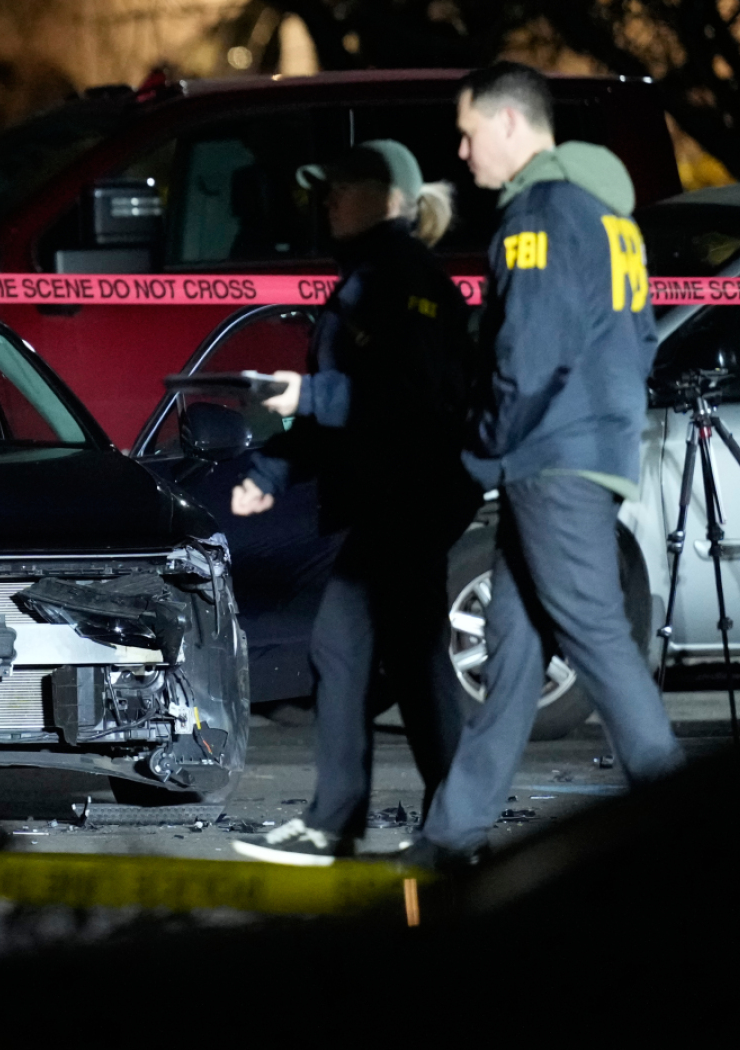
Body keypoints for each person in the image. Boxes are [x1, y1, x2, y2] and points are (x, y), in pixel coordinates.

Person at [405, 63, 686, 870]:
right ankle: (450, 837)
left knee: (595, 636)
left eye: (468, 133)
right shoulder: (608, 218)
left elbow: (527, 356)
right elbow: (638, 339)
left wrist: (480, 447)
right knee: (513, 649)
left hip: (550, 457)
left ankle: (686, 826)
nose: (462, 153)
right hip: (584, 450)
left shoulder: (541, 215)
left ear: (508, 123)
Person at [231, 139, 478, 866]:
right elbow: (347, 413)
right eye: (327, 188)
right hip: (395, 496)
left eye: (344, 187)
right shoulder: (373, 275)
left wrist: (308, 394)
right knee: (409, 658)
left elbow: (404, 396)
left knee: (348, 648)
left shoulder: (400, 278)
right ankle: (446, 828)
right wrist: (272, 471)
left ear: (390, 199)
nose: (329, 200)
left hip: (408, 494)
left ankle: (341, 823)